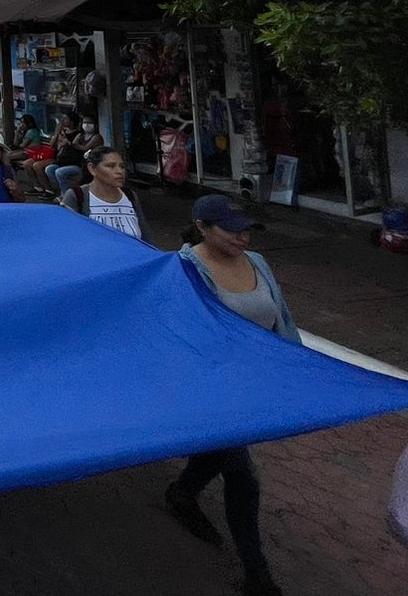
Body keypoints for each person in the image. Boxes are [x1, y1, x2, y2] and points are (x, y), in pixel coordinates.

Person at [169, 194, 294, 596]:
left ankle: (182, 492)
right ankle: (258, 575)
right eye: (231, 230)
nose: (243, 238)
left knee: (220, 452)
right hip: (206, 390)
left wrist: (302, 374)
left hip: (250, 386)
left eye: (248, 230)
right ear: (202, 227)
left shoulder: (258, 263)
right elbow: (182, 334)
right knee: (243, 474)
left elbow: (282, 320)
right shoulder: (183, 269)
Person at [59, 147, 147, 239]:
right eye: (111, 166)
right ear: (92, 168)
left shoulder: (130, 196)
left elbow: (146, 237)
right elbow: (67, 237)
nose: (119, 171)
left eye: (122, 166)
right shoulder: (76, 196)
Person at [47, 118, 104, 195]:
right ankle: (63, 191)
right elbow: (73, 144)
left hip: (85, 166)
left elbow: (84, 148)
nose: (86, 125)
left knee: (59, 172)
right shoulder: (81, 135)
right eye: (85, 122)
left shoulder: (96, 137)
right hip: (74, 162)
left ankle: (66, 195)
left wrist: (70, 143)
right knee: (50, 169)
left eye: (89, 123)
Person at [23, 112, 74, 194]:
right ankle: (37, 187)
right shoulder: (61, 132)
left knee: (37, 166)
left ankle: (48, 189)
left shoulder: (75, 134)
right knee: (27, 163)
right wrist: (56, 133)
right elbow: (51, 144)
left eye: (65, 119)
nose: (63, 121)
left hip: (59, 157)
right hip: (51, 154)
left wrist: (61, 138)